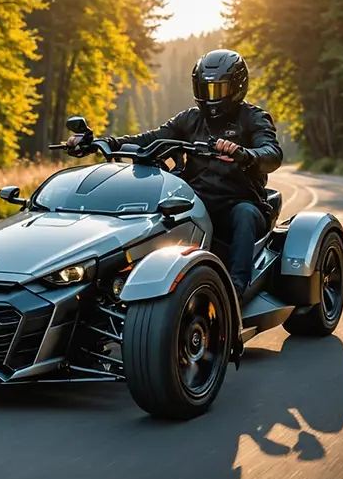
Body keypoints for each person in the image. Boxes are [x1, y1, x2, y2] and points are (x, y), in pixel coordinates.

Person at [66, 48, 283, 301]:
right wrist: (104, 143)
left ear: (237, 86)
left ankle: (234, 292)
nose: (210, 98)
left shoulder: (254, 117)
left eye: (217, 90)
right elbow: (149, 139)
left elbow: (272, 153)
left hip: (240, 203)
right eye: (204, 90)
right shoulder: (190, 119)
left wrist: (245, 154)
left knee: (244, 215)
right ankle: (125, 285)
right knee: (153, 215)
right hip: (196, 203)